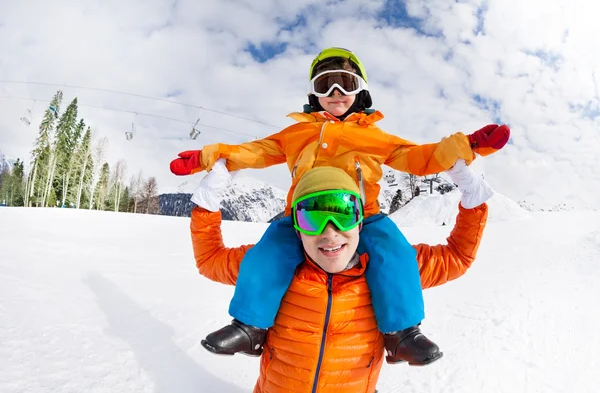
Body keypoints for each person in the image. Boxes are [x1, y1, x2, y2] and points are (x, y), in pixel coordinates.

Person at [171, 47, 510, 365]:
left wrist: (468, 145)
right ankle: (250, 325)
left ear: (360, 90)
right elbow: (254, 151)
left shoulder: (375, 137)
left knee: (396, 255)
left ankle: (402, 332)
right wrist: (208, 156)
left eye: (345, 83)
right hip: (303, 215)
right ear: (313, 93)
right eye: (325, 84)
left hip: (363, 216)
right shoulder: (296, 133)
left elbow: (420, 157)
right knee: (269, 251)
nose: (335, 92)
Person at [190, 160, 492, 392]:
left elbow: (457, 256)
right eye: (312, 218)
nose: (330, 233)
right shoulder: (271, 269)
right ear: (296, 228)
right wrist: (208, 198)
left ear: (360, 222)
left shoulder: (391, 272)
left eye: (343, 214)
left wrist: (472, 196)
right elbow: (210, 260)